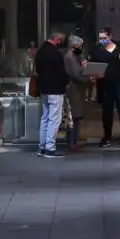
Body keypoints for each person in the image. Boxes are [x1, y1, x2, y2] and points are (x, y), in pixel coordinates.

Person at [90, 26, 120, 148]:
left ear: (110, 36)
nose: (102, 40)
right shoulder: (96, 50)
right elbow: (92, 65)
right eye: (100, 38)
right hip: (105, 84)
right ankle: (107, 137)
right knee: (107, 112)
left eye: (104, 38)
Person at [34, 31, 68, 159]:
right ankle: (50, 148)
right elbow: (61, 72)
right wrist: (66, 81)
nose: (61, 44)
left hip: (43, 89)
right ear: (57, 40)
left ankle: (42, 147)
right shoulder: (55, 53)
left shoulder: (40, 52)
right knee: (54, 119)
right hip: (55, 90)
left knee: (45, 118)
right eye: (61, 41)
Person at [64, 35, 92, 151]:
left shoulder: (75, 57)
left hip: (77, 89)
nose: (81, 47)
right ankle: (72, 142)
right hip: (73, 89)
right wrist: (88, 78)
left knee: (76, 117)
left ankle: (74, 140)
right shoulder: (69, 58)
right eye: (79, 45)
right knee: (73, 117)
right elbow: (76, 74)